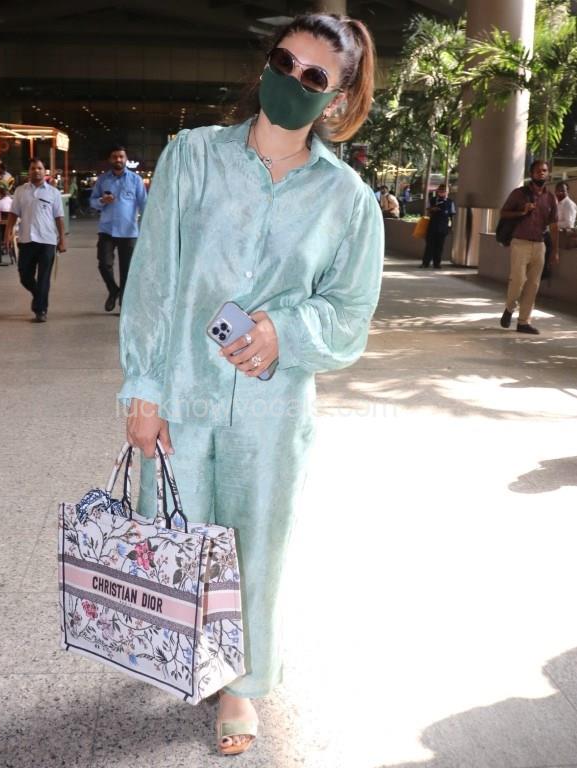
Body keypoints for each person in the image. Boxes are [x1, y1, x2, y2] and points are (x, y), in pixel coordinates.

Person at [120, 12, 382, 756]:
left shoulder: (347, 200)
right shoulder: (192, 157)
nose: (290, 79)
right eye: (283, 61)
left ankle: (239, 686)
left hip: (272, 410)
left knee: (255, 549)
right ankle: (180, 649)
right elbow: (155, 280)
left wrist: (284, 332)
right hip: (182, 392)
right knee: (178, 534)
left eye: (313, 75)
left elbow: (349, 314)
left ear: (336, 98)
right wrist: (142, 389)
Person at [499, 160, 558, 335]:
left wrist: (555, 250)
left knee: (533, 284)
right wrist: (522, 212)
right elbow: (503, 213)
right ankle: (509, 308)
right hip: (520, 243)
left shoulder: (551, 198)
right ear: (531, 173)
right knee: (518, 280)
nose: (542, 173)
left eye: (544, 170)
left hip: (540, 245)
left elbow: (554, 226)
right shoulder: (519, 194)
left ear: (548, 174)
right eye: (538, 170)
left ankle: (524, 322)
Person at [5, 157, 66, 323]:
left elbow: (59, 218)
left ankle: (41, 310)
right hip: (26, 239)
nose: (36, 171)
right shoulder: (20, 191)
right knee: (24, 275)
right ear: (29, 171)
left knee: (44, 278)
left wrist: (62, 240)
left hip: (47, 240)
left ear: (44, 171)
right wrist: (7, 233)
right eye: (33, 168)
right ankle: (38, 295)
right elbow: (13, 214)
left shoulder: (53, 193)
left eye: (39, 168)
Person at [90, 145, 147, 311]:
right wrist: (102, 201)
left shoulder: (135, 180)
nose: (118, 160)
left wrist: (146, 229)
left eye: (121, 156)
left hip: (129, 231)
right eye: (115, 157)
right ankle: (113, 290)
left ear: (126, 159)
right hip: (107, 230)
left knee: (126, 270)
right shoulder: (103, 180)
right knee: (104, 264)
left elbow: (145, 204)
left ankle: (124, 304)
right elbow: (92, 201)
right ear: (110, 159)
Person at [421, 184, 456, 269]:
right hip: (432, 225)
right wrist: (432, 209)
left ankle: (437, 263)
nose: (442, 192)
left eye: (444, 191)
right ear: (438, 191)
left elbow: (452, 215)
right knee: (429, 245)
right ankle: (425, 263)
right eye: (440, 191)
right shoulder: (433, 200)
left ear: (447, 192)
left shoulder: (450, 202)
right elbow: (427, 208)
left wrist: (451, 227)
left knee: (439, 246)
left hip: (443, 226)